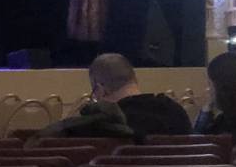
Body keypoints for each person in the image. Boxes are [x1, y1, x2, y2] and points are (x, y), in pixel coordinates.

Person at [46, 50, 192, 141]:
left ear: (100, 90)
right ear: (134, 79)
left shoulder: (100, 124)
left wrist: (70, 120)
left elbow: (46, 141)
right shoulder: (176, 112)